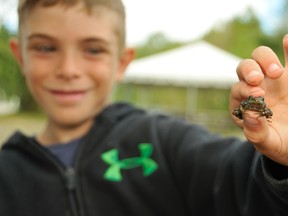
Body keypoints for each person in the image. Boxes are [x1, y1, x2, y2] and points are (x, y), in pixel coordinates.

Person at [1, 0, 288, 215]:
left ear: (123, 62)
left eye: (93, 49)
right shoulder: (7, 172)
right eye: (46, 48)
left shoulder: (165, 140)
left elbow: (248, 191)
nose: (68, 69)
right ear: (21, 56)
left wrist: (280, 163)